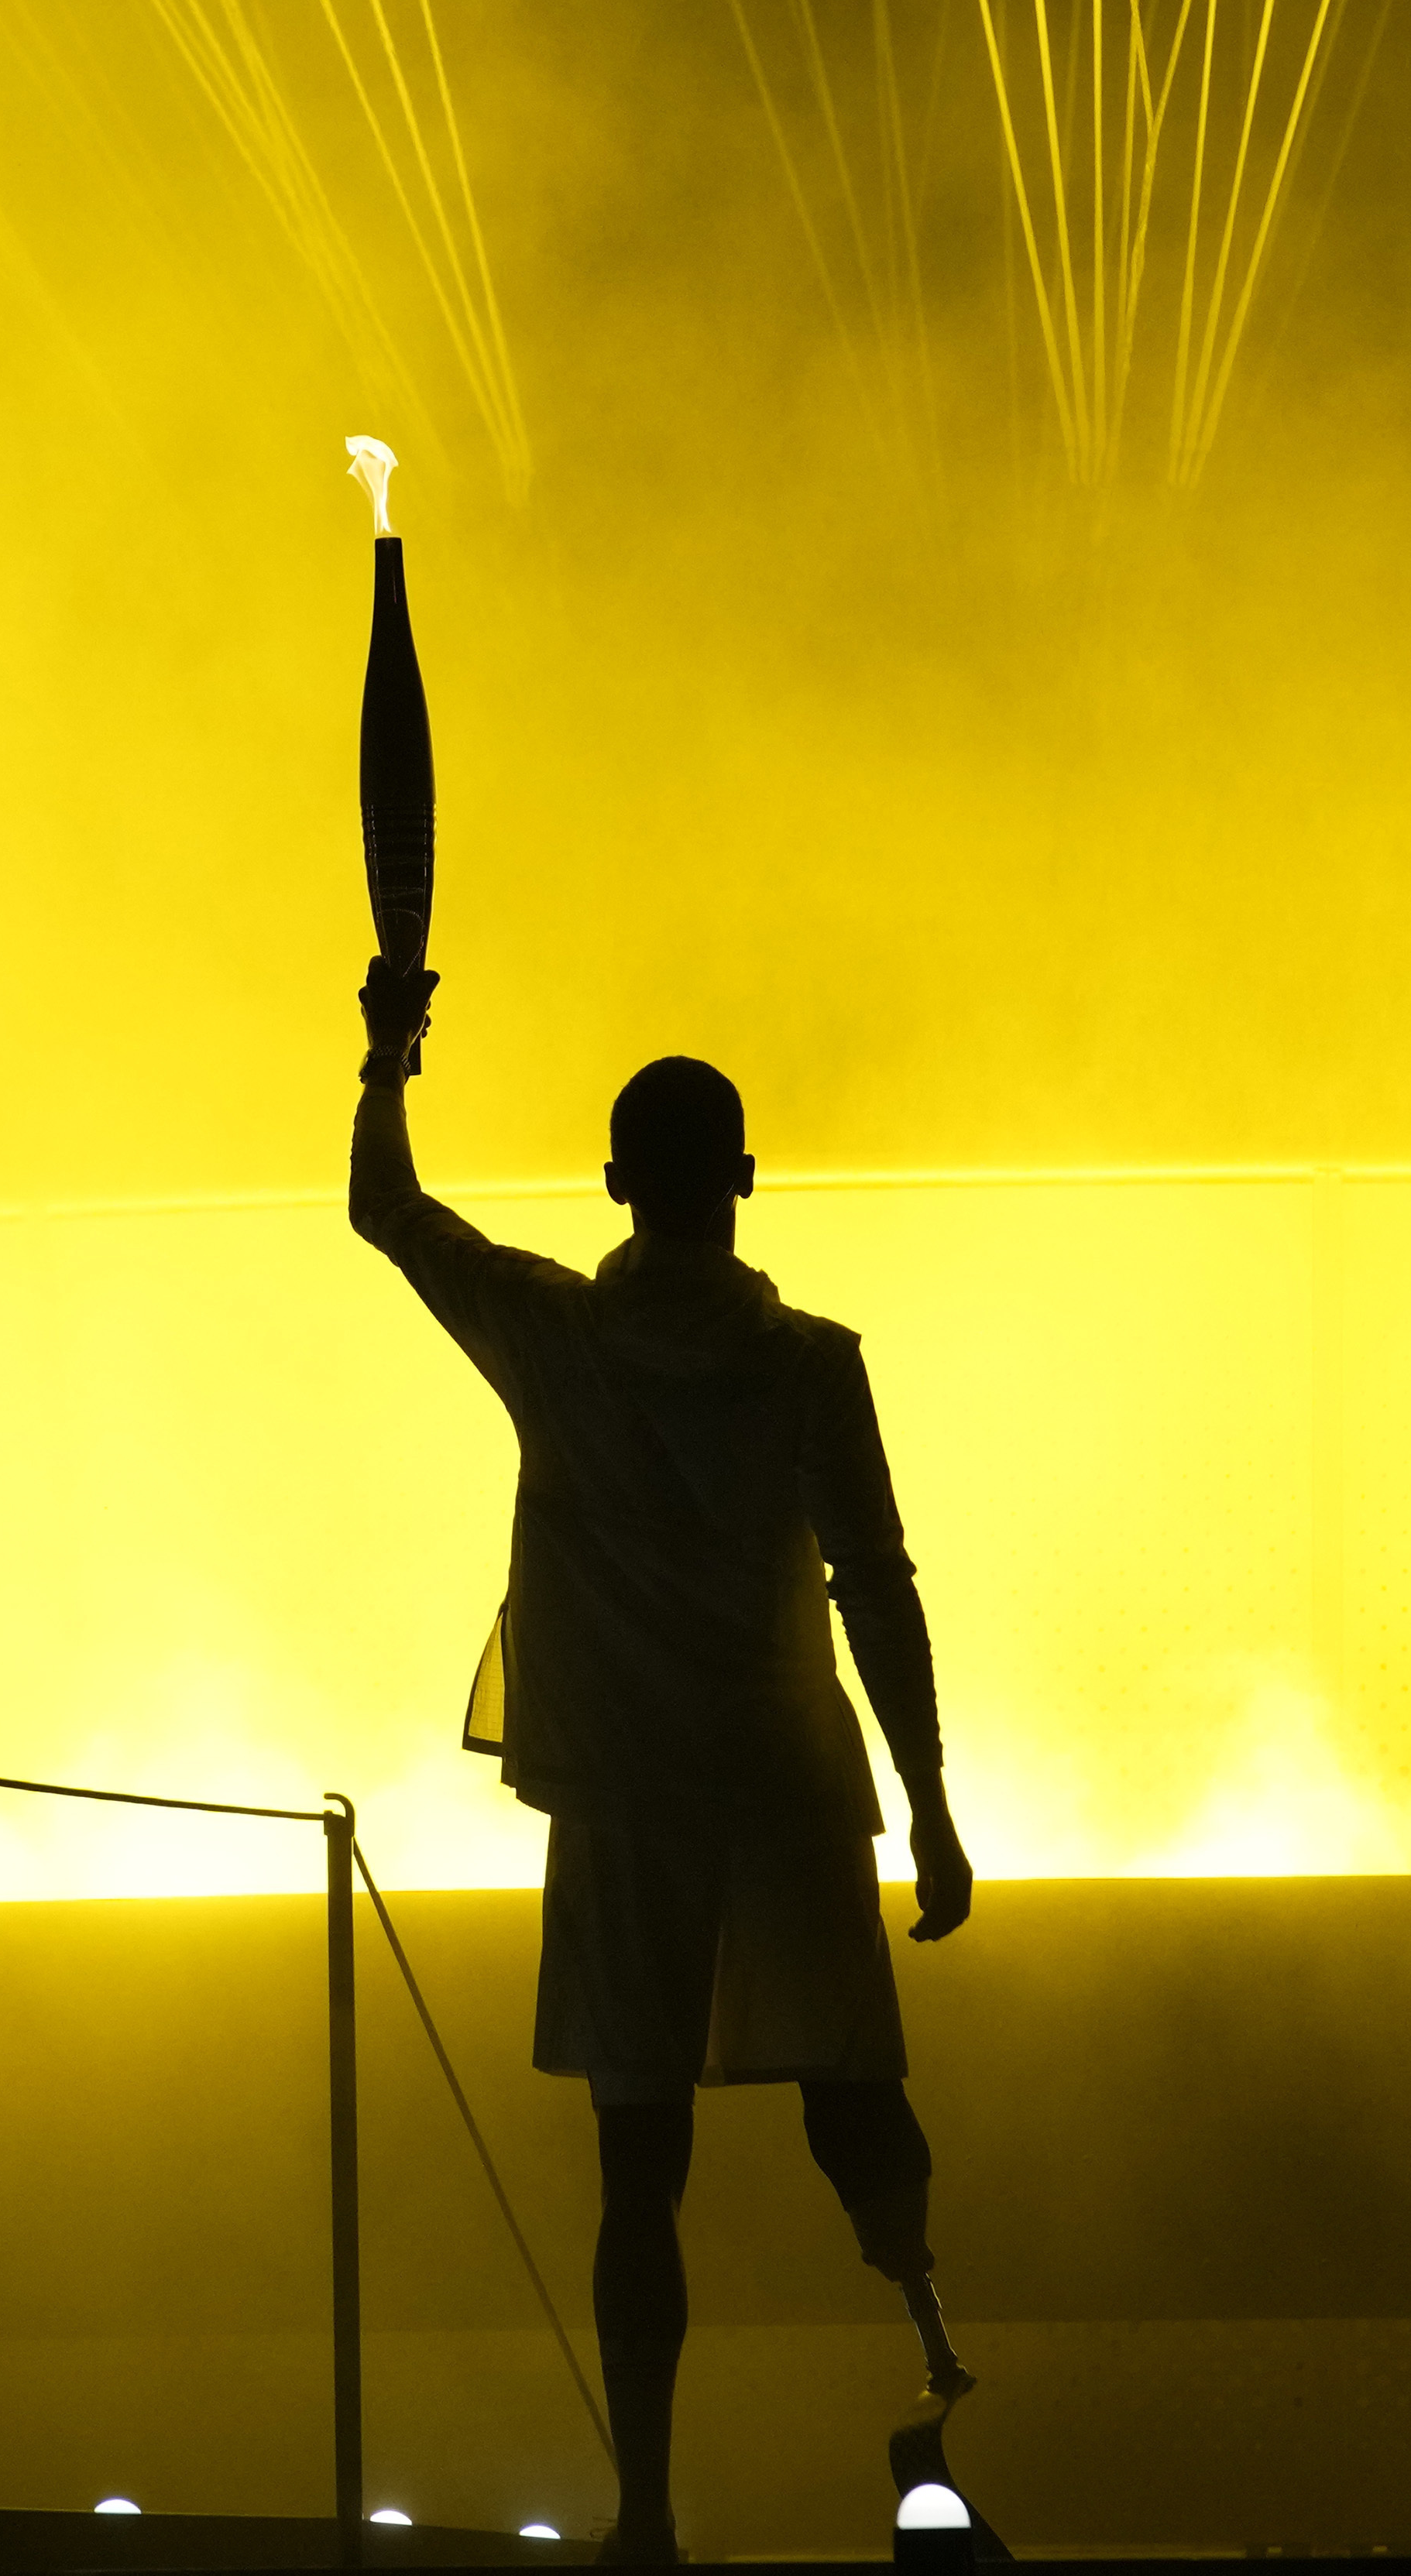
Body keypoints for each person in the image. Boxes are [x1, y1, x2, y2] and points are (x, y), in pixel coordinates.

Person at [349, 967, 973, 2566]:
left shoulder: (554, 1337)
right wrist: (934, 1806)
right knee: (855, 2099)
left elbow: (386, 1208)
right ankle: (935, 2346)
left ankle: (642, 2505)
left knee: (643, 2165)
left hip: (624, 1802)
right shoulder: (812, 1366)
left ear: (617, 1181)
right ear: (746, 1183)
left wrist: (391, 1051)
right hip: (786, 1788)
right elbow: (880, 1584)